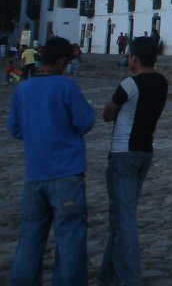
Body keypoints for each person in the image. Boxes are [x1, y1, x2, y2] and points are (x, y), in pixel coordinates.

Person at [8, 36, 96, 286]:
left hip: (34, 174)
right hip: (66, 173)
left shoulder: (23, 89)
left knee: (31, 238)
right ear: (60, 61)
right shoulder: (65, 87)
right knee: (69, 238)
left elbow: (14, 128)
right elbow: (85, 121)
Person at [100, 36, 168, 286]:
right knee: (120, 215)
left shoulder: (130, 84)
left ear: (135, 58)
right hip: (145, 152)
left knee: (124, 218)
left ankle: (130, 277)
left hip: (123, 153)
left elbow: (108, 113)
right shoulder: (162, 82)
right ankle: (108, 274)